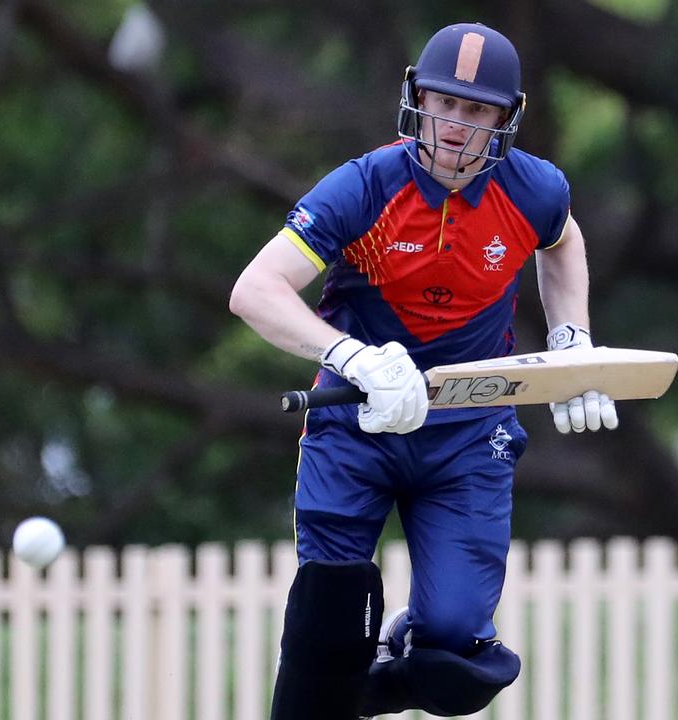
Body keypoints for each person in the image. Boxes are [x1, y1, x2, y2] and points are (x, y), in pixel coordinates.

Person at [228, 22, 619, 719]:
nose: (454, 127)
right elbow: (254, 290)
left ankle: (392, 659)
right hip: (357, 420)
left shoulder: (534, 189)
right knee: (328, 626)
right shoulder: (364, 186)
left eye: (476, 111)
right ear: (417, 99)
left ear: (507, 119)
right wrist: (352, 357)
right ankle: (341, 671)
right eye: (443, 104)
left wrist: (571, 341)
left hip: (468, 433)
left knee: (457, 661)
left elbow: (562, 242)